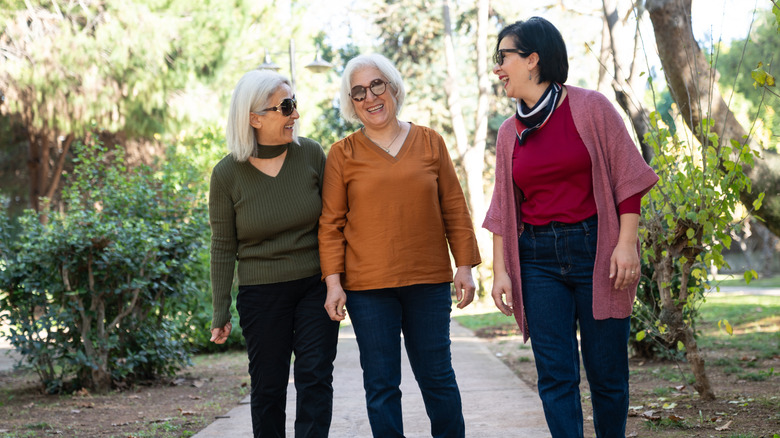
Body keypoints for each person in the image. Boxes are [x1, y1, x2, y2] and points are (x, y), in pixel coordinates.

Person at [483, 17, 659, 438]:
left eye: (502, 57)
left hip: (597, 249)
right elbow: (504, 206)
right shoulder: (510, 132)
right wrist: (501, 270)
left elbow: (627, 178)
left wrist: (626, 244)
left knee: (607, 373)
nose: (497, 68)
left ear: (533, 60)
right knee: (556, 375)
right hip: (538, 260)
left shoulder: (591, 107)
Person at [318, 53, 481, 438]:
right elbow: (330, 224)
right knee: (381, 385)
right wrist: (333, 281)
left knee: (438, 378)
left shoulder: (429, 141)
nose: (370, 97)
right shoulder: (342, 154)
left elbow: (454, 206)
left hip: (428, 282)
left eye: (377, 85)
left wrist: (464, 265)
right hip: (368, 289)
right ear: (351, 103)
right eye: (358, 92)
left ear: (392, 87)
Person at [208, 69, 339, 438]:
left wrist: (337, 281)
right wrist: (220, 308)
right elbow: (223, 245)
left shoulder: (311, 154)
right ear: (254, 117)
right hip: (261, 292)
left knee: (315, 377)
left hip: (315, 286)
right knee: (268, 385)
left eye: (294, 104)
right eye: (286, 107)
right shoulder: (226, 174)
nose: (295, 114)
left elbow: (334, 223)